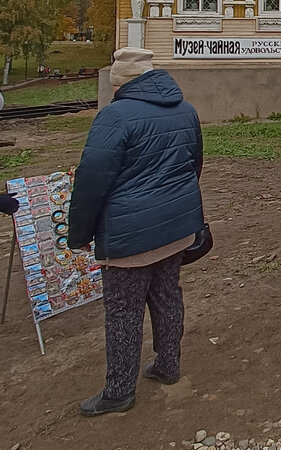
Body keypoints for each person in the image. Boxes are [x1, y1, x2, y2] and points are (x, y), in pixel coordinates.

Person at [67, 48, 204, 416]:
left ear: (120, 83)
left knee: (124, 311)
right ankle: (168, 365)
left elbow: (91, 182)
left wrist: (78, 234)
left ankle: (119, 390)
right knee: (167, 295)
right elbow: (194, 165)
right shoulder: (186, 110)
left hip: (130, 236)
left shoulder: (114, 117)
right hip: (176, 227)